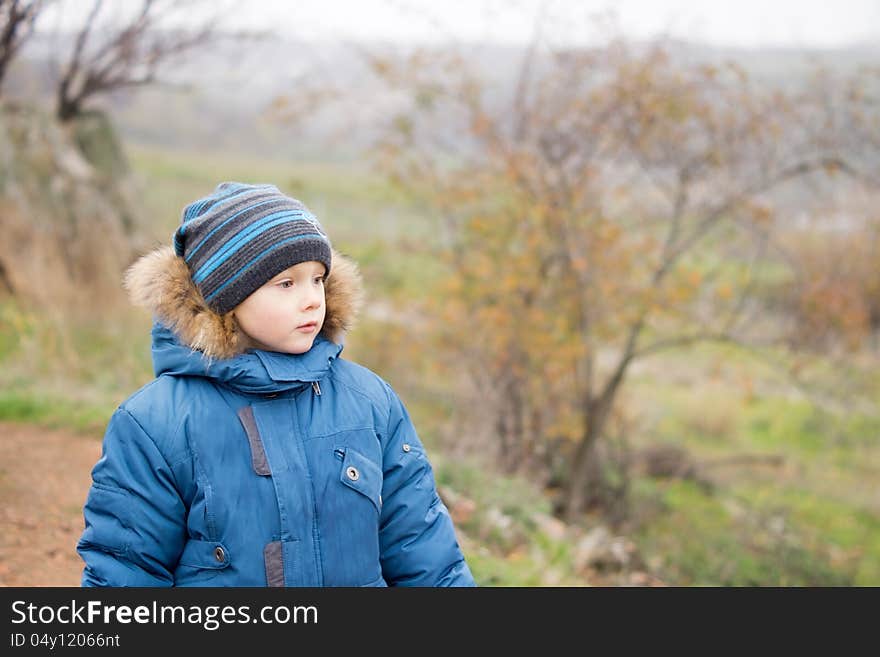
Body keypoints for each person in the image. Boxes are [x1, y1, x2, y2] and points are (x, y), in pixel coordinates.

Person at [77, 182, 475, 587]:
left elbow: (425, 552)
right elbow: (125, 571)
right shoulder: (155, 423)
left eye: (318, 279)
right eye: (286, 283)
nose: (312, 300)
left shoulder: (370, 402)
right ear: (225, 298)